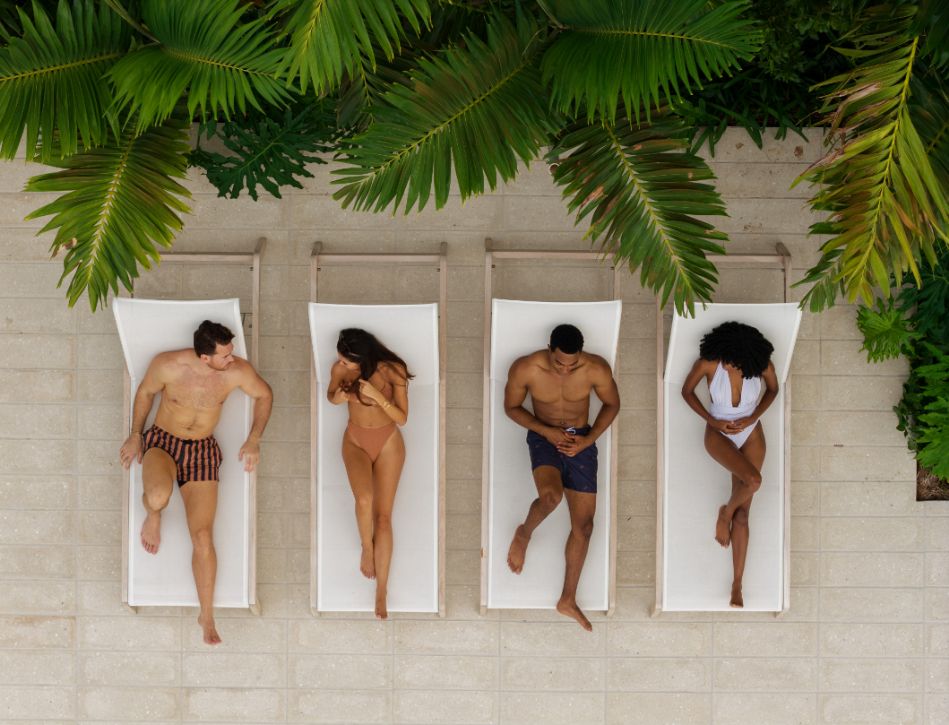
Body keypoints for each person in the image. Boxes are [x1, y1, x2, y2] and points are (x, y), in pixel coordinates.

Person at [118, 320, 273, 644]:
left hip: (202, 450)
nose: (232, 358)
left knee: (202, 536)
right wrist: (135, 435)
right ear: (205, 357)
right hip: (163, 442)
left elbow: (264, 394)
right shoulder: (168, 365)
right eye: (225, 355)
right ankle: (154, 514)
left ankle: (206, 616)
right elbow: (145, 392)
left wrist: (254, 439)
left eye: (231, 352)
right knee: (158, 496)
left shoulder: (237, 371)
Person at [504, 323, 620, 631]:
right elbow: (511, 407)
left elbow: (612, 404)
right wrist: (546, 431)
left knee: (585, 526)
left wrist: (588, 439)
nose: (566, 370)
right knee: (550, 497)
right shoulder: (526, 368)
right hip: (544, 436)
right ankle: (524, 532)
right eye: (559, 363)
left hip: (581, 439)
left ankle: (567, 599)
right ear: (549, 349)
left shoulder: (595, 368)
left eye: (573, 364)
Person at [680, 320, 778, 608]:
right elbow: (686, 392)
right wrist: (712, 421)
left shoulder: (761, 365)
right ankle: (725, 513)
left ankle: (737, 585)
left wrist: (753, 417)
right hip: (718, 431)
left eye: (734, 363)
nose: (727, 366)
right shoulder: (709, 363)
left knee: (744, 516)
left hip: (751, 431)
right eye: (726, 360)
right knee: (754, 481)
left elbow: (773, 390)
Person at [327, 328, 412, 620]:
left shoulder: (393, 371)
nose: (341, 364)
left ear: (364, 358)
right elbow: (331, 397)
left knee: (384, 517)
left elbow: (402, 418)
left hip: (388, 441)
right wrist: (341, 396)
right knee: (364, 499)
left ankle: (381, 591)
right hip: (355, 440)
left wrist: (377, 396)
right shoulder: (340, 369)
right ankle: (367, 546)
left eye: (347, 361)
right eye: (340, 359)